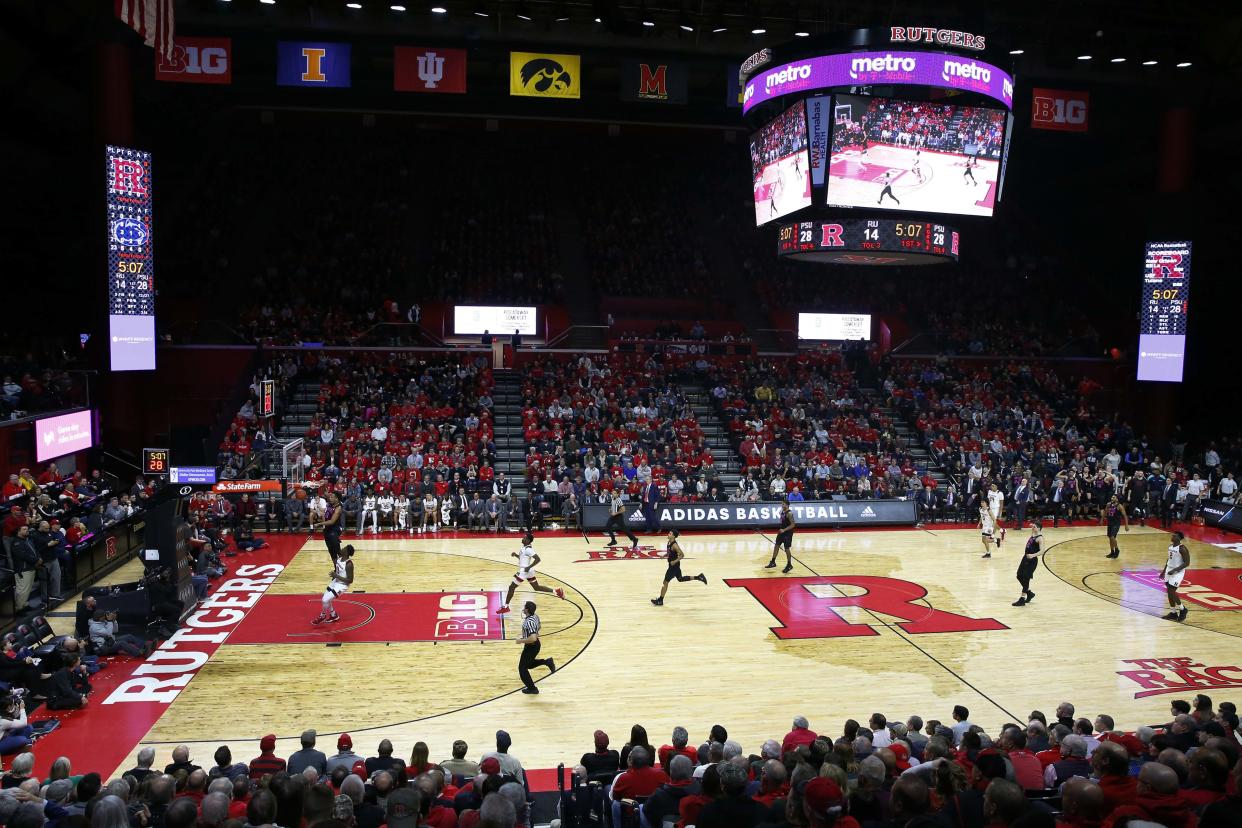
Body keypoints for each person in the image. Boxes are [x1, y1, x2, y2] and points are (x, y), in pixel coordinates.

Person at [497, 532, 563, 615]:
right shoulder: (524, 548)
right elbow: (523, 559)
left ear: (528, 540)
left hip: (524, 571)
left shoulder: (529, 549)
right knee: (536, 587)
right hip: (529, 571)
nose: (522, 538)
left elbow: (538, 559)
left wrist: (528, 567)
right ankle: (556, 591)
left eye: (524, 538)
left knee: (511, 587)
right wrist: (516, 555)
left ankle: (506, 607)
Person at [651, 529, 706, 606]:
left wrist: (674, 561)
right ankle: (699, 577)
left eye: (670, 534)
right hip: (674, 566)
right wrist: (665, 555)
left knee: (665, 582)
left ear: (673, 536)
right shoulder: (669, 542)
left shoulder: (674, 545)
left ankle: (660, 600)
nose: (668, 534)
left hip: (673, 567)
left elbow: (682, 555)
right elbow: (669, 552)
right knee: (680, 579)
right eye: (669, 533)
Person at [516, 601, 554, 695]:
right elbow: (539, 626)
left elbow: (532, 638)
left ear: (527, 610)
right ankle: (547, 662)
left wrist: (521, 640)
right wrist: (532, 635)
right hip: (535, 645)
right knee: (528, 664)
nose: (523, 608)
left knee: (522, 668)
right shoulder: (535, 616)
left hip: (531, 647)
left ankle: (532, 688)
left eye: (524, 607)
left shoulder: (529, 622)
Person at [313, 544, 354, 626]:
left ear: (346, 553)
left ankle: (322, 616)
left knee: (325, 600)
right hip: (336, 581)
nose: (341, 549)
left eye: (344, 548)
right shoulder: (340, 558)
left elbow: (350, 580)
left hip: (342, 585)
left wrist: (336, 575)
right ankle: (333, 615)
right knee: (326, 597)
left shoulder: (349, 564)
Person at [1161, 531, 1191, 622]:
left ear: (1178, 538)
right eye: (1173, 535)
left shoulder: (1182, 549)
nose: (1172, 536)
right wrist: (1163, 571)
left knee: (1171, 590)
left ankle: (1183, 609)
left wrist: (1175, 570)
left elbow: (1187, 563)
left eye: (1174, 536)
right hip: (1169, 570)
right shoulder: (1170, 546)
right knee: (1169, 592)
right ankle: (1173, 613)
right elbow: (1168, 559)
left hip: (1178, 572)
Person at [1013, 520, 1043, 606]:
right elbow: (1032, 528)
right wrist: (1032, 525)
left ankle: (1022, 599)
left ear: (1039, 528)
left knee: (1026, 579)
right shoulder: (1033, 534)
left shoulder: (1040, 538)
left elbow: (1042, 551)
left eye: (1035, 527)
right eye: (1033, 527)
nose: (1033, 528)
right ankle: (1029, 593)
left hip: (1032, 561)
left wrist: (1033, 555)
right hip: (1025, 558)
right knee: (1019, 575)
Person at [766, 502, 796, 573]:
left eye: (783, 504)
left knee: (787, 549)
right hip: (781, 531)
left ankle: (789, 565)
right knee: (776, 546)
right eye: (782, 504)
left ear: (787, 505)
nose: (782, 505)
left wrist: (784, 529)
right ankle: (773, 562)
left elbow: (793, 525)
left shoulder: (789, 513)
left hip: (787, 533)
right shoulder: (782, 511)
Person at [1100, 495, 1129, 559]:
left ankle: (1117, 550)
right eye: (1111, 497)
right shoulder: (1108, 504)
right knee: (1110, 538)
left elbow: (1125, 516)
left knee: (1112, 537)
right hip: (1110, 523)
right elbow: (1105, 512)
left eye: (1113, 497)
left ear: (1117, 499)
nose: (1111, 498)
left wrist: (1126, 525)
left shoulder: (1120, 506)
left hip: (1116, 524)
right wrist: (1102, 519)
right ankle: (1112, 552)